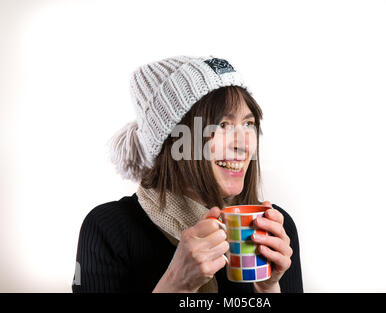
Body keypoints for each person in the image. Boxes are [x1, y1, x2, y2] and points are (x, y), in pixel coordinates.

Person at [72, 56, 303, 293]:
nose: (243, 145)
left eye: (248, 124)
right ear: (175, 142)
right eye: (222, 125)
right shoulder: (109, 228)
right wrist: (176, 284)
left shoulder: (273, 228)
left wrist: (269, 288)